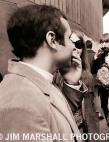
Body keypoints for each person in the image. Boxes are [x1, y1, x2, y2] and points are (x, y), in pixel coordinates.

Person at [0, 5, 86, 142]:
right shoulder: (21, 103)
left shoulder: (37, 80)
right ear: (52, 40)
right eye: (69, 38)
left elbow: (53, 119)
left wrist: (71, 83)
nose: (73, 46)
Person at [93, 33, 109, 119]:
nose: (104, 45)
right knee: (107, 117)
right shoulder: (100, 56)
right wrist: (95, 59)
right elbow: (93, 71)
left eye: (106, 42)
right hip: (104, 93)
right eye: (102, 42)